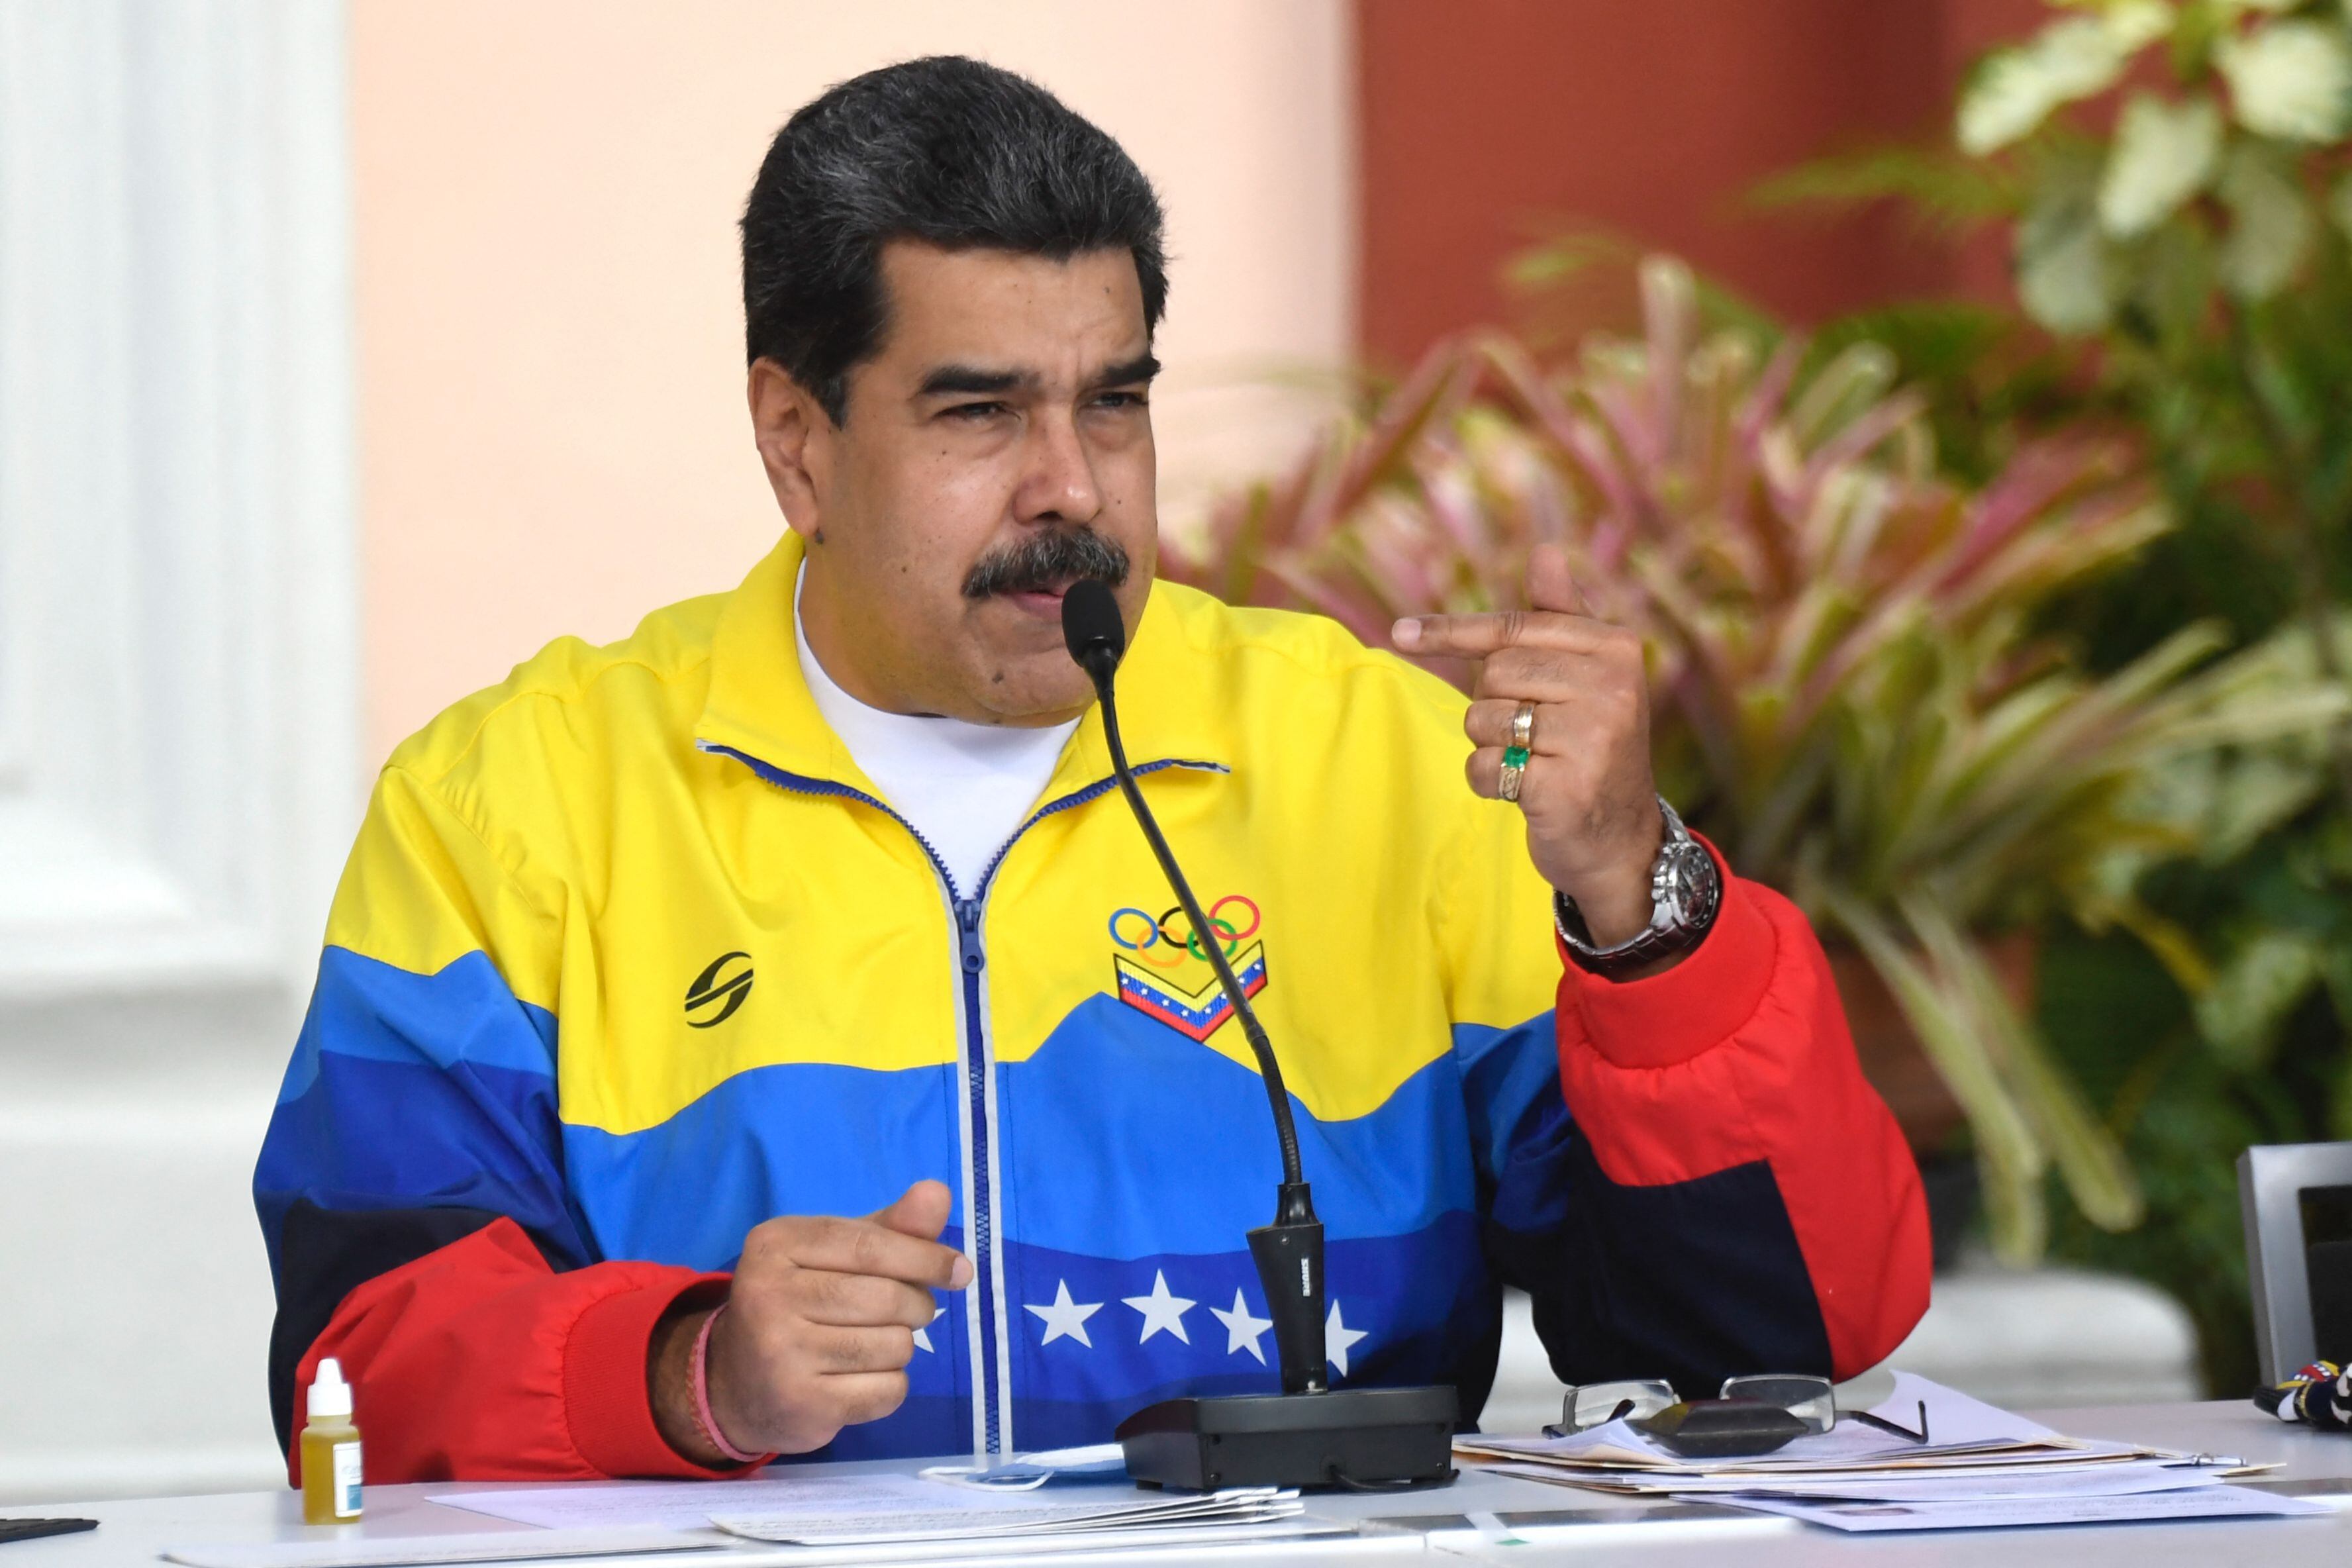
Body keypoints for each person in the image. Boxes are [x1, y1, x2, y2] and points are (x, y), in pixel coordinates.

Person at [254, 56, 1928, 1482]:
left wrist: (1641, 902)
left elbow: (1780, 1331)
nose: (1073, 485)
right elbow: (355, 1360)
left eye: (1112, 402)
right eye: (980, 413)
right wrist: (690, 1368)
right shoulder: (516, 804)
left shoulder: (1393, 768)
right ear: (796, 442)